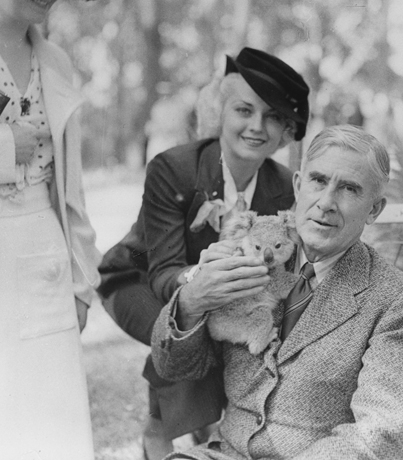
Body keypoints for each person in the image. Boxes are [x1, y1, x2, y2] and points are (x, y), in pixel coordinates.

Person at [151, 124, 403, 460]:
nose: (326, 202)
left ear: (373, 209)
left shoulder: (396, 300)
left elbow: (382, 432)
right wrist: (192, 301)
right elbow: (172, 367)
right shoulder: (246, 254)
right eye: (318, 181)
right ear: (298, 185)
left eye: (350, 189)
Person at [97, 47, 310, 459]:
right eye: (244, 111)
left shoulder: (285, 185)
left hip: (226, 289)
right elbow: (163, 274)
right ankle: (158, 433)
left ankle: (214, 429)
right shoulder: (173, 168)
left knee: (243, 323)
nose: (256, 127)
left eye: (272, 117)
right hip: (137, 280)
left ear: (285, 130)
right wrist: (204, 280)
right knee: (189, 320)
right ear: (220, 113)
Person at [0, 1, 101, 459]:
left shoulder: (55, 60)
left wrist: (83, 280)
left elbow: (71, 183)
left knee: (50, 413)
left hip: (42, 244)